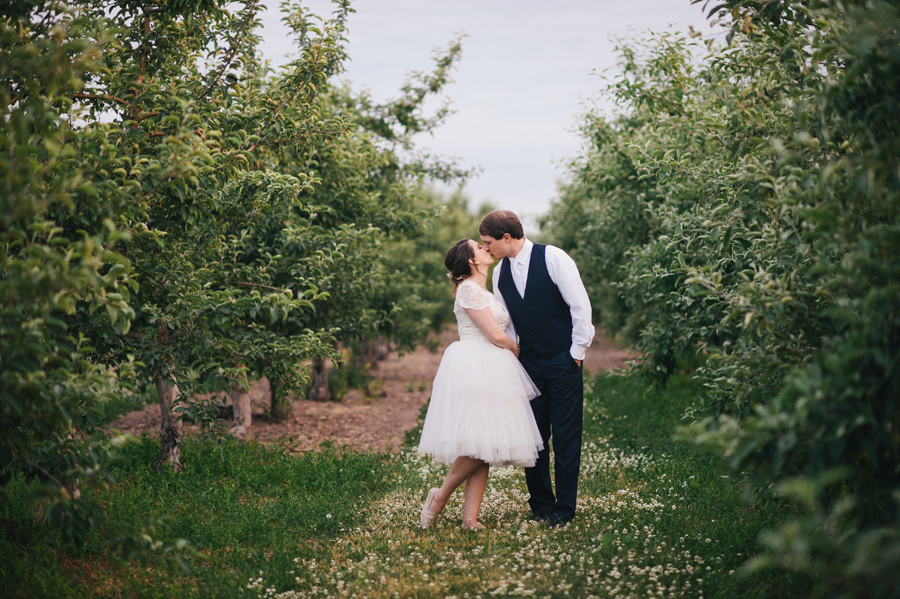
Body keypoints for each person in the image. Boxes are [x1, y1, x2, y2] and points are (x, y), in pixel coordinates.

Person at [479, 210, 595, 528]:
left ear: (506, 238)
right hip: (527, 364)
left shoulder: (554, 258)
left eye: (488, 242)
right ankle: (541, 504)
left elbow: (580, 306)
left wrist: (576, 352)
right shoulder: (500, 274)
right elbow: (511, 321)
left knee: (567, 437)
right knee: (534, 438)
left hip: (563, 359)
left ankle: (565, 508)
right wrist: (515, 357)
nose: (485, 248)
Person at [417, 239, 544, 530]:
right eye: (479, 247)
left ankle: (469, 518)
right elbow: (495, 335)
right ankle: (439, 498)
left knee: (483, 443)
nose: (486, 248)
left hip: (492, 366)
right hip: (477, 364)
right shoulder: (469, 289)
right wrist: (517, 349)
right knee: (478, 444)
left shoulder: (483, 289)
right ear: (472, 261)